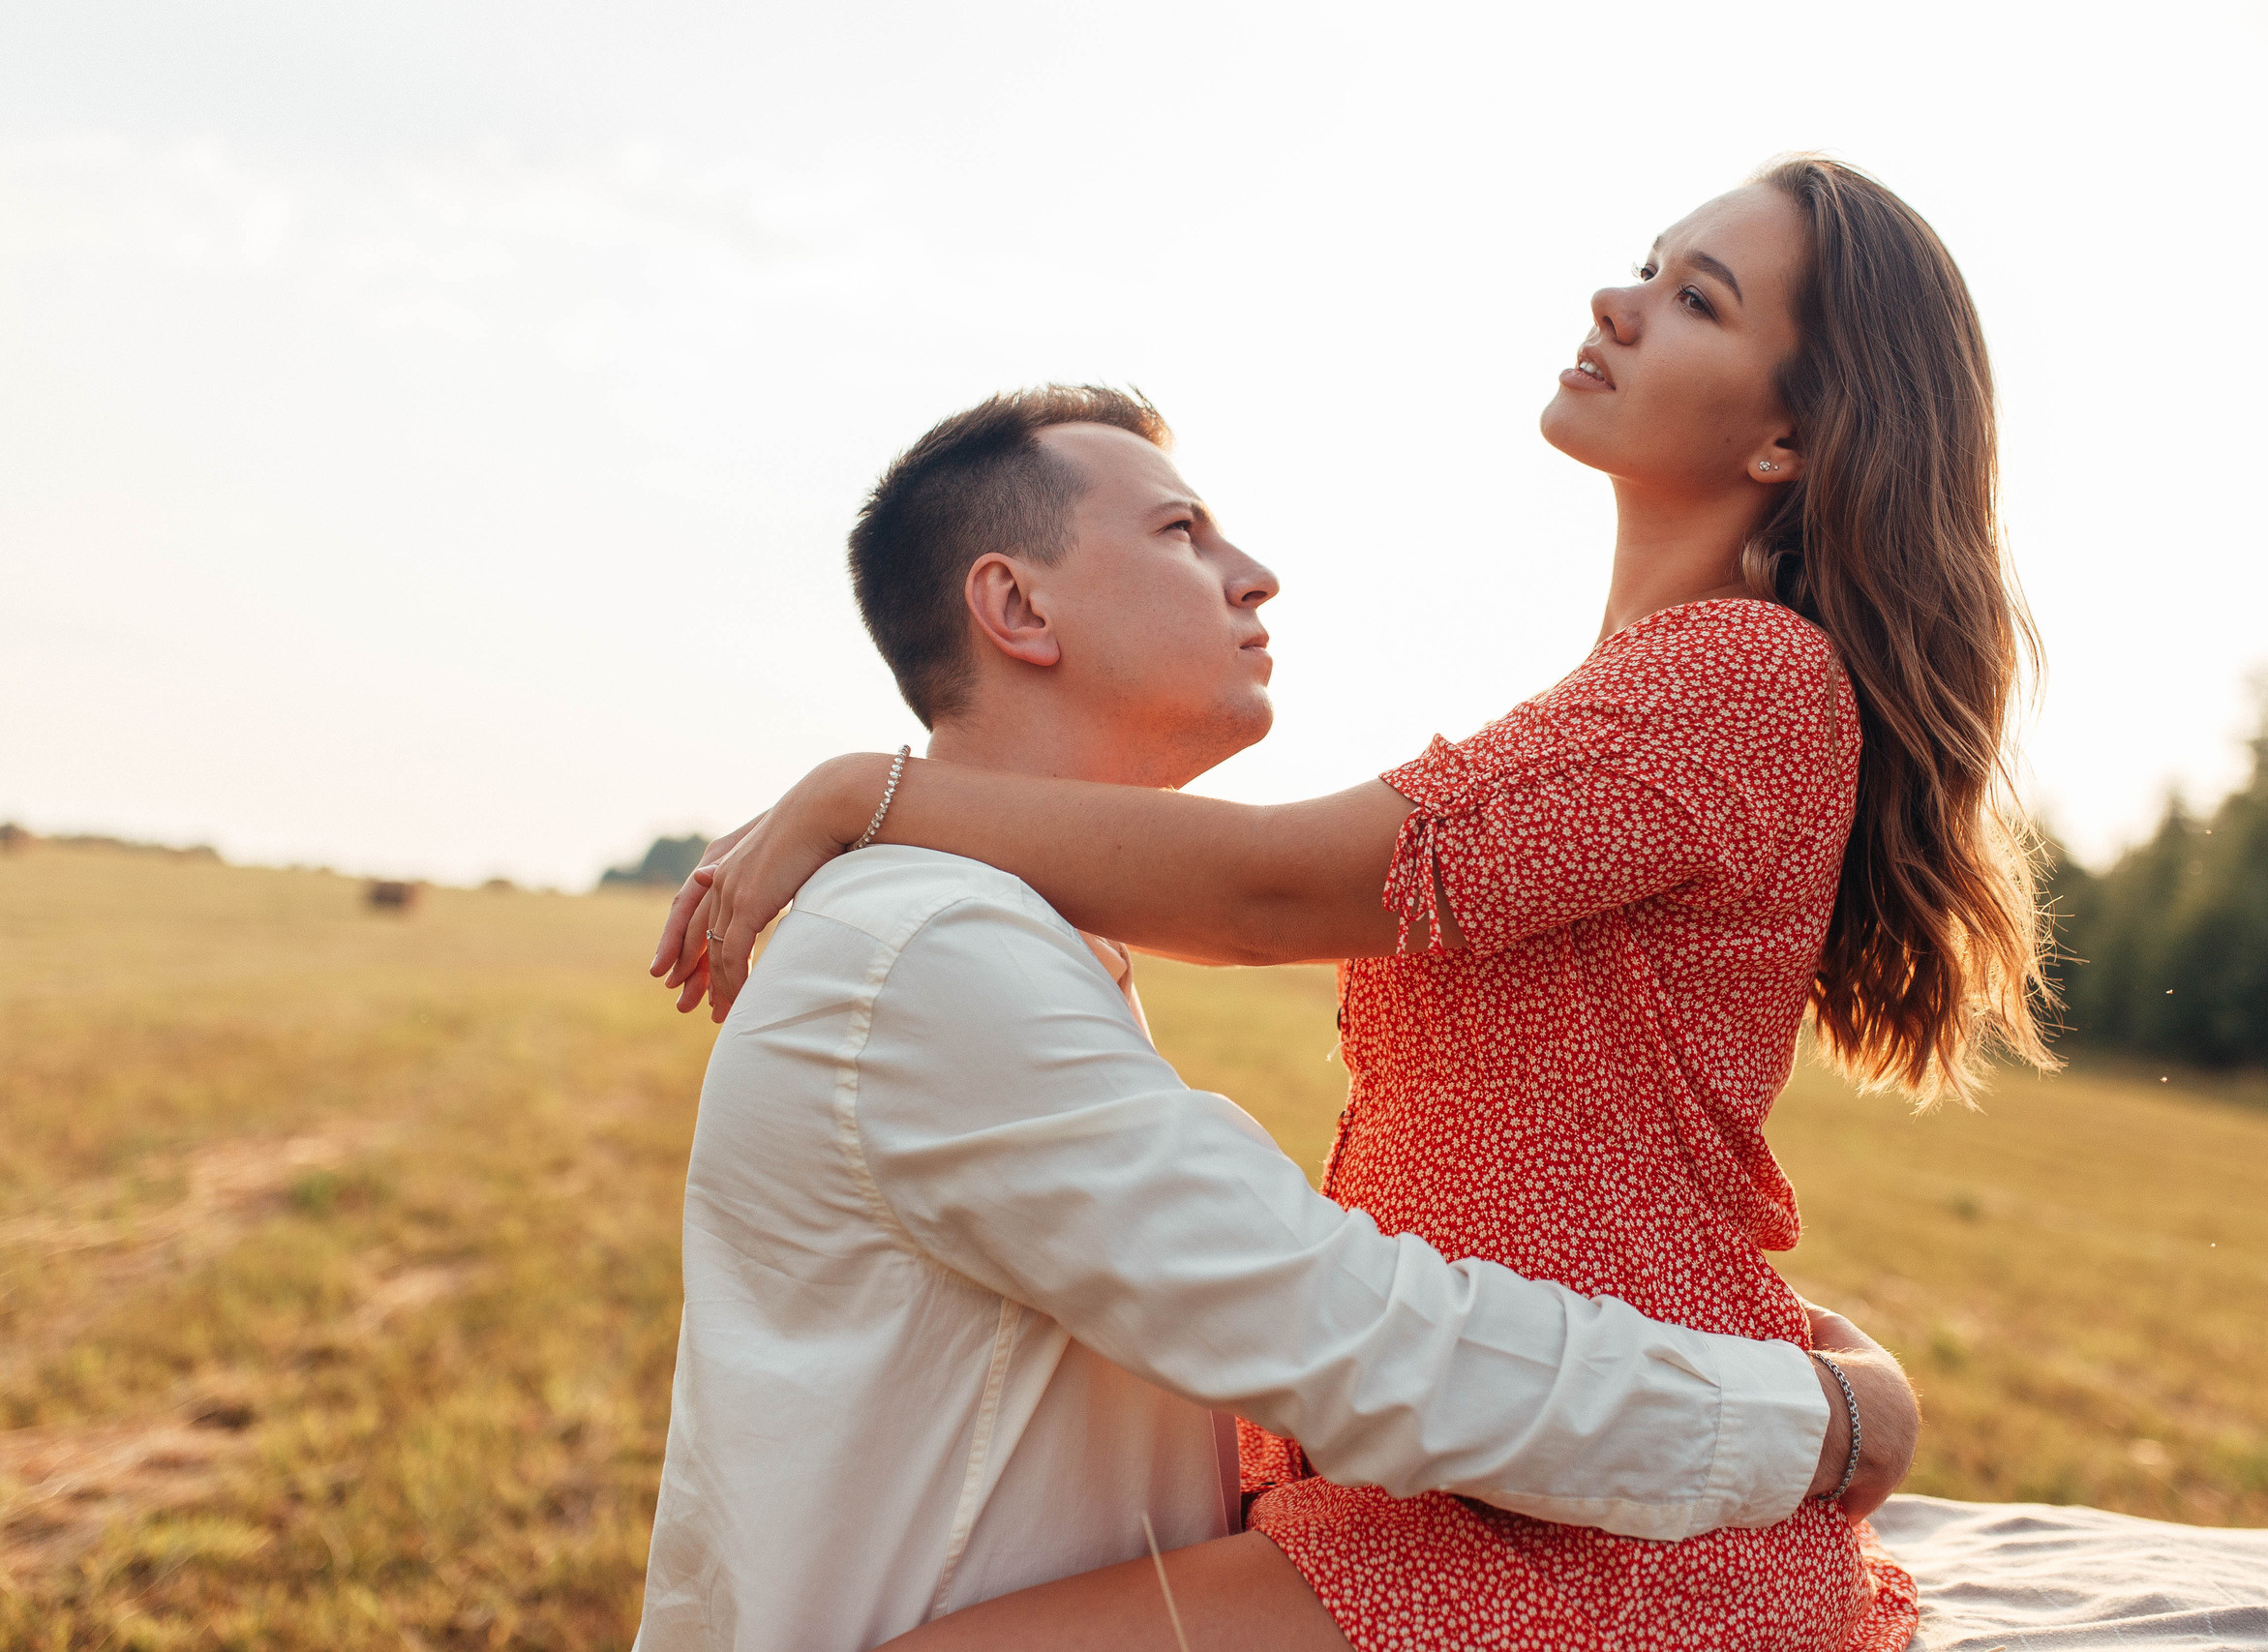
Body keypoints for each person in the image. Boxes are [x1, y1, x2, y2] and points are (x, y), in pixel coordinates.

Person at [668, 153, 2037, 1650]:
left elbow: (1265, 890)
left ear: (1790, 433)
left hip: (1585, 1521)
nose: (1617, 301)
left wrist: (865, 791)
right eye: (1649, 263)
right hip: (1480, 1457)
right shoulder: (1615, 705)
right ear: (1017, 606)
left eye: (1692, 298)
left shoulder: (1739, 675)